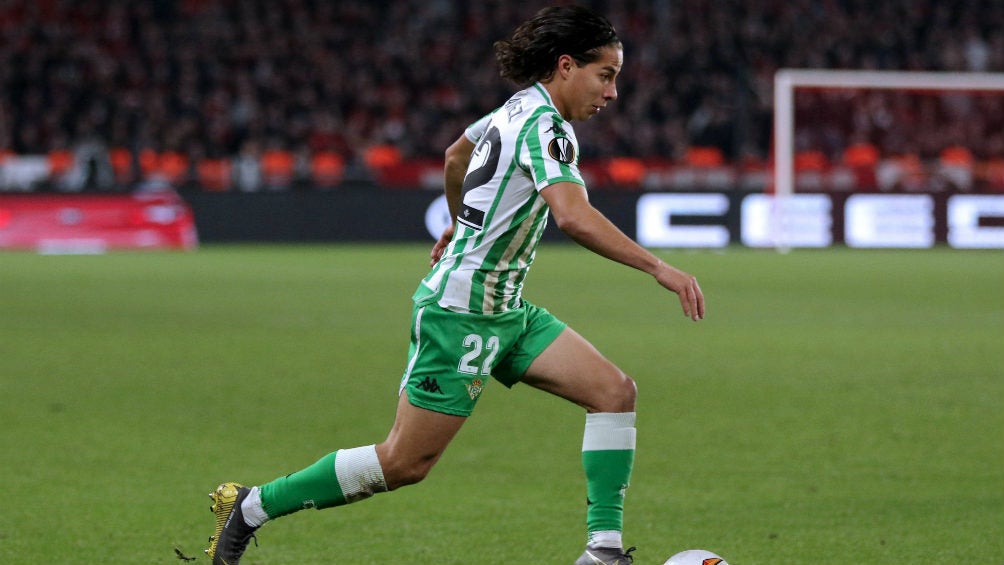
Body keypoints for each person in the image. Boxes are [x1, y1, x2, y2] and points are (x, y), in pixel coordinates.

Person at [204, 6, 704, 565]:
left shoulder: (516, 107)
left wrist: (463, 220)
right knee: (404, 462)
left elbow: (455, 156)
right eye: (605, 75)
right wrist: (659, 268)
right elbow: (572, 215)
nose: (612, 92)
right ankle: (252, 505)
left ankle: (603, 551)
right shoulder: (546, 127)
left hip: (507, 310)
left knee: (614, 393)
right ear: (566, 66)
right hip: (461, 314)